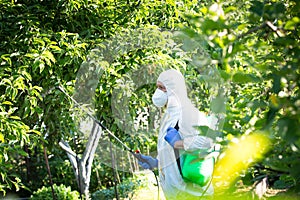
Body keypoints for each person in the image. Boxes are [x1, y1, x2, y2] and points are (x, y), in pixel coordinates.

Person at [138, 69, 217, 199]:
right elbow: (175, 157)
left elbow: (208, 141)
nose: (158, 92)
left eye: (162, 88)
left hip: (193, 194)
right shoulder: (170, 117)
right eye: (157, 87)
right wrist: (157, 163)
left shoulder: (188, 113)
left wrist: (178, 143)